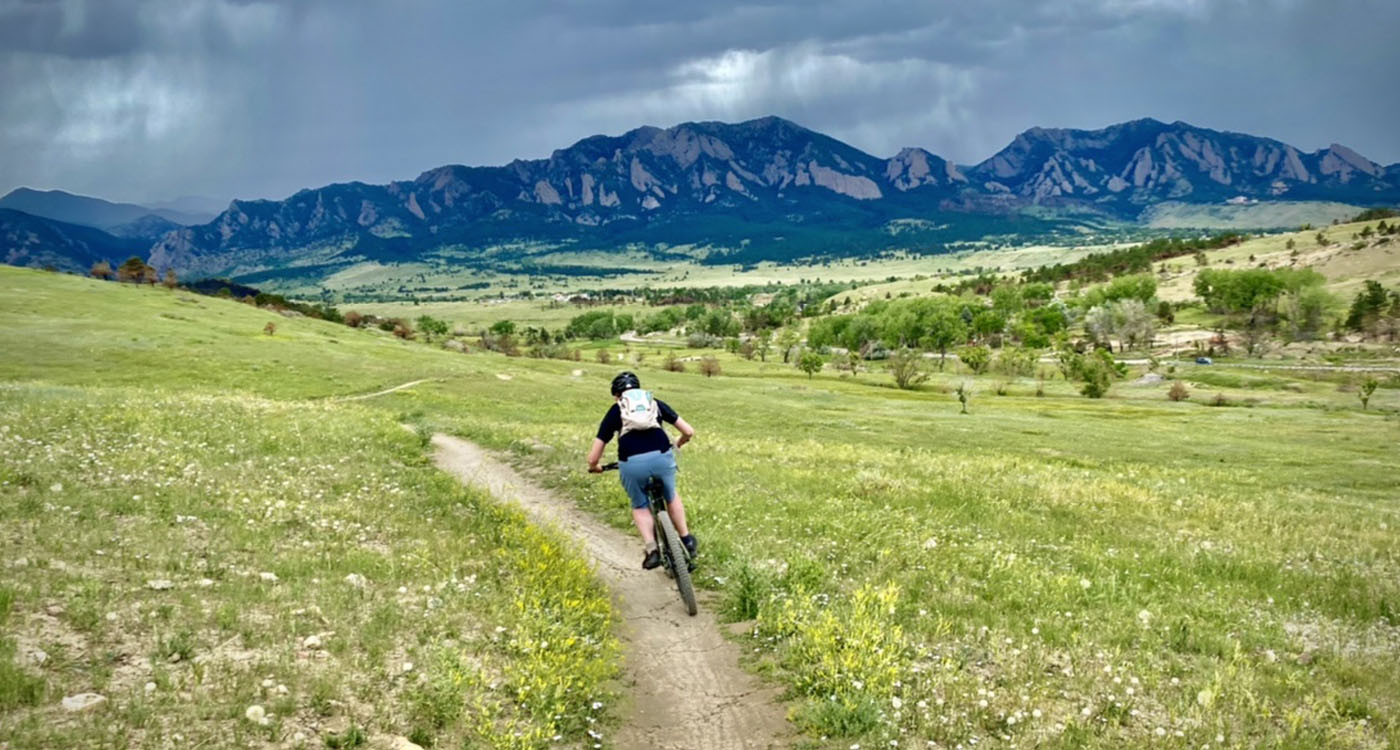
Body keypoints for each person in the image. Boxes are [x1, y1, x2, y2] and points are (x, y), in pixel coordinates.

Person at [587, 371, 698, 569]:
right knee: (671, 495)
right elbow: (688, 431)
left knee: (639, 505)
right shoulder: (655, 403)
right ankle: (686, 539)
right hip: (662, 456)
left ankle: (652, 550)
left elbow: (593, 456)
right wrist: (679, 443)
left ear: (616, 395)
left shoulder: (615, 411)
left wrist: (596, 467)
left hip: (632, 462)